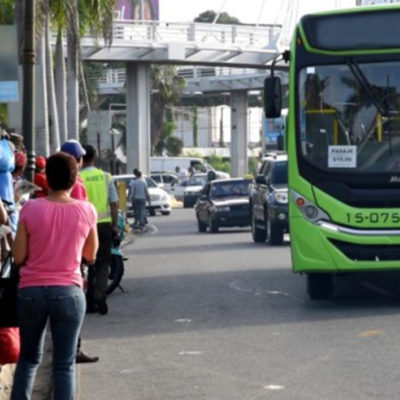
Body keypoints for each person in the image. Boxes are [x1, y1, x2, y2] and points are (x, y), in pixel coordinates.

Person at [10, 152, 98, 400]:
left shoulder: (30, 208)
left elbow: (18, 257)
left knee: (28, 359)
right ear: (74, 180)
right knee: (64, 364)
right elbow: (91, 254)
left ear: (46, 179)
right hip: (68, 292)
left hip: (31, 292)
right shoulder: (86, 211)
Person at [60, 140, 98, 364]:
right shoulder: (77, 184)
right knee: (75, 306)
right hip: (74, 253)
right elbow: (83, 220)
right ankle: (74, 348)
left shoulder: (52, 182)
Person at [80, 145, 119, 315]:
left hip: (83, 225)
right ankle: (100, 293)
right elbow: (114, 203)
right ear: (94, 157)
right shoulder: (106, 177)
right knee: (103, 262)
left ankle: (88, 301)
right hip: (103, 224)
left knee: (84, 263)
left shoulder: (77, 177)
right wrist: (115, 225)